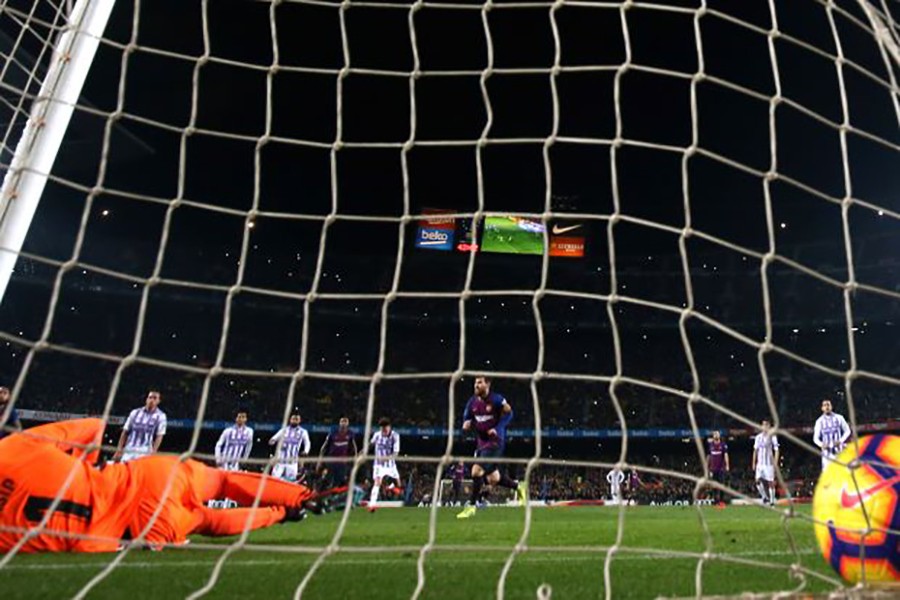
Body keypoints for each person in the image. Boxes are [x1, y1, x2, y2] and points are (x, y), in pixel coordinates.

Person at [0, 419, 322, 553]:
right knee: (223, 481)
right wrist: (88, 465)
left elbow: (83, 546)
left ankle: (282, 514)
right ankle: (304, 496)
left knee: (204, 521)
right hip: (149, 474)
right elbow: (95, 426)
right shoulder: (13, 447)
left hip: (138, 527)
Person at [457, 376, 526, 519]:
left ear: (487, 384)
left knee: (476, 471)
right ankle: (518, 487)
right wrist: (466, 423)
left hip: (495, 441)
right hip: (481, 443)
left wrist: (498, 427)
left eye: (480, 382)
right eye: (475, 382)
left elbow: (510, 413)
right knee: (494, 478)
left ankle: (471, 506)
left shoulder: (497, 399)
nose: (476, 385)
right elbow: (467, 417)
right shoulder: (472, 402)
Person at [112, 390, 167, 463]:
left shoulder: (161, 416)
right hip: (129, 449)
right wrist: (119, 449)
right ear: (146, 399)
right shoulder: (135, 412)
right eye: (150, 397)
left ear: (158, 401)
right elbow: (125, 432)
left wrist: (153, 452)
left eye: (155, 398)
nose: (152, 400)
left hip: (145, 451)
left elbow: (159, 436)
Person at [368, 417, 400, 512]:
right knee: (377, 482)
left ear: (389, 427)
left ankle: (390, 487)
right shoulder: (377, 435)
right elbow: (370, 444)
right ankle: (372, 504)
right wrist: (362, 453)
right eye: (382, 429)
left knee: (399, 485)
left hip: (391, 465)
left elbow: (396, 453)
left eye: (385, 429)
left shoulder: (395, 436)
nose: (384, 431)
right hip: (378, 464)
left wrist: (387, 458)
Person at [268, 411, 311, 482]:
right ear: (290, 419)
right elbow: (273, 439)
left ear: (300, 420)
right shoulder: (284, 430)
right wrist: (273, 442)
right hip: (280, 461)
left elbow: (307, 442)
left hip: (292, 463)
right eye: (293, 419)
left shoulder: (303, 432)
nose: (295, 421)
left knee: (291, 482)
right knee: (274, 480)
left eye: (297, 419)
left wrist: (306, 451)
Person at [316, 417, 357, 489]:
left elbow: (354, 448)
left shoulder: (350, 434)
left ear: (348, 424)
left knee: (340, 481)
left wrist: (355, 460)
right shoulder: (333, 432)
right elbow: (324, 447)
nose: (344, 423)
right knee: (327, 481)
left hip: (342, 462)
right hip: (331, 460)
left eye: (345, 421)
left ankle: (336, 497)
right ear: (339, 423)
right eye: (342, 421)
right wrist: (320, 460)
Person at [813, 399, 851, 472]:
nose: (827, 407)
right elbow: (815, 438)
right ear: (822, 408)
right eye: (825, 405)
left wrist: (840, 441)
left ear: (831, 407)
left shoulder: (839, 418)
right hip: (827, 454)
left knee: (842, 472)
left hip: (839, 451)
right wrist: (821, 444)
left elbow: (847, 431)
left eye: (828, 405)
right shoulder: (819, 421)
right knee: (828, 475)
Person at [751, 419, 779, 506]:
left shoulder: (773, 437)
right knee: (757, 481)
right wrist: (753, 462)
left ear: (769, 427)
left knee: (771, 482)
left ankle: (772, 500)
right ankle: (764, 497)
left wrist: (775, 462)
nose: (764, 427)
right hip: (760, 464)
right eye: (763, 425)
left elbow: (777, 450)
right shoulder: (758, 437)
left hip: (769, 464)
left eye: (766, 425)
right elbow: (755, 450)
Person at [707, 430, 730, 504]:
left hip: (721, 468)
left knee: (721, 484)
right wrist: (707, 466)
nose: (716, 435)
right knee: (714, 485)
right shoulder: (711, 445)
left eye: (717, 434)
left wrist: (727, 465)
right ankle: (715, 500)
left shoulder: (723, 445)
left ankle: (722, 500)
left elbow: (726, 455)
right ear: (713, 436)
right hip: (713, 469)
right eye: (714, 434)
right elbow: (709, 456)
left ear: (719, 436)